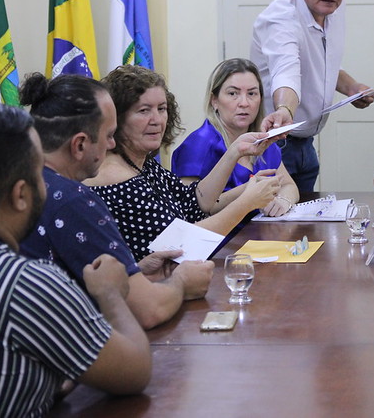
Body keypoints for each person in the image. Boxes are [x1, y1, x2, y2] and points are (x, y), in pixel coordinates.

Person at [0, 105, 150, 417]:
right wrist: (111, 295)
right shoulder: (28, 283)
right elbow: (135, 371)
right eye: (41, 174)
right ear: (21, 194)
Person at [19, 73, 214, 330]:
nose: (112, 144)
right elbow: (149, 310)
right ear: (79, 145)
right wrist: (181, 282)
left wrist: (137, 272)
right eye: (109, 135)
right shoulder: (74, 201)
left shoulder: (21, 185)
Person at [86, 65, 280, 260]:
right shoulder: (115, 175)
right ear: (116, 119)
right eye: (144, 110)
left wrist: (235, 152)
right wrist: (247, 203)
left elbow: (193, 202)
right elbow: (180, 245)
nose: (157, 120)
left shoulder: (142, 162)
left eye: (161, 109)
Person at [250, 0, 374, 192]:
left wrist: (351, 88)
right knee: (275, 227)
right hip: (276, 144)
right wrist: (284, 110)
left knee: (307, 225)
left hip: (306, 144)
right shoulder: (281, 20)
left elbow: (323, 63)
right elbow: (287, 72)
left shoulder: (332, 9)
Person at [172, 58, 299, 217]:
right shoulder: (198, 144)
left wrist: (282, 201)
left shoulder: (261, 138)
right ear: (214, 100)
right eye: (233, 93)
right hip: (221, 237)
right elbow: (188, 208)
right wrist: (248, 192)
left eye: (252, 93)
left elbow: (289, 186)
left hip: (262, 233)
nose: (244, 103)